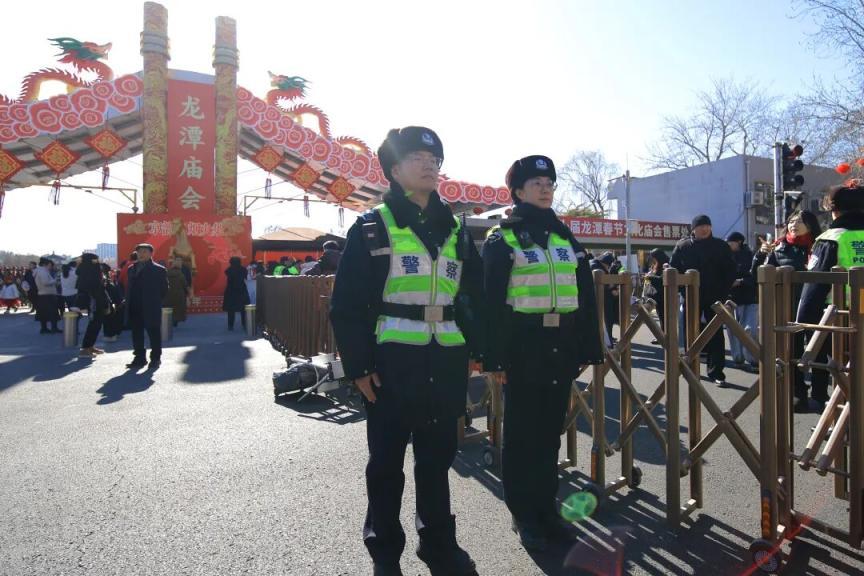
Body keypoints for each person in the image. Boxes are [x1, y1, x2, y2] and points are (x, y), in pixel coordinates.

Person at [330, 126, 482, 576]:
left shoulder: (455, 229)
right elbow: (347, 304)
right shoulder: (371, 227)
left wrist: (478, 349)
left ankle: (439, 545)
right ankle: (385, 552)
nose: (430, 165)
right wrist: (358, 367)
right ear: (394, 171)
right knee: (386, 465)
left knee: (436, 461)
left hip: (445, 360)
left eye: (434, 159)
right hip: (390, 364)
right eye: (418, 158)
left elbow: (472, 295)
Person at [483, 155, 603, 552]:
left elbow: (584, 296)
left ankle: (546, 510)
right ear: (518, 191)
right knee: (522, 435)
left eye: (549, 182)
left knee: (550, 434)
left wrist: (588, 347)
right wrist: (495, 357)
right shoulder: (503, 238)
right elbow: (491, 301)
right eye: (536, 183)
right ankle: (523, 514)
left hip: (560, 347)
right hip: (523, 348)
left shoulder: (564, 237)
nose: (545, 188)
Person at [797, 183, 864, 412]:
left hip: (843, 318)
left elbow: (815, 285)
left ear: (834, 210)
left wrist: (805, 324)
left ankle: (844, 425)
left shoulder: (832, 238)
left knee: (844, 375)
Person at [752, 210, 822, 412]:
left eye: (799, 221)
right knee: (793, 352)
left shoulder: (821, 245)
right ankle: (798, 394)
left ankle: (820, 395)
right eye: (791, 221)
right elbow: (759, 274)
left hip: (818, 307)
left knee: (820, 353)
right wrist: (760, 255)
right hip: (789, 309)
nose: (793, 224)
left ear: (810, 225)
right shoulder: (779, 247)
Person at [670, 215, 736, 385]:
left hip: (715, 297)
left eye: (708, 225)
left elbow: (730, 271)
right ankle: (690, 368)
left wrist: (724, 294)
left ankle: (716, 372)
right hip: (690, 296)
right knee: (690, 333)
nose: (705, 229)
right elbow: (674, 270)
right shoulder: (683, 246)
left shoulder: (721, 246)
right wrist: (682, 291)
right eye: (701, 226)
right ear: (693, 229)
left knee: (715, 334)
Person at [126, 243, 168, 369]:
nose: (141, 254)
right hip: (134, 306)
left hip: (151, 306)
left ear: (151, 253)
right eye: (139, 252)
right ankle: (139, 358)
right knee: (136, 333)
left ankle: (155, 358)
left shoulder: (159, 269)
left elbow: (164, 289)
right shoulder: (131, 268)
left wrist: (154, 300)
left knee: (153, 333)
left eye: (144, 251)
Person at [725, 231, 758, 371]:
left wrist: (741, 281)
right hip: (731, 298)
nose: (728, 245)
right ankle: (738, 358)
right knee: (733, 330)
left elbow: (756, 275)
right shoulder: (725, 255)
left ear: (738, 242)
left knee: (749, 329)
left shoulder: (751, 255)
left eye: (730, 242)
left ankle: (754, 358)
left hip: (750, 297)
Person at [76, 253, 110, 358]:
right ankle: (85, 348)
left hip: (96, 300)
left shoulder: (87, 269)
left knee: (96, 324)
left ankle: (90, 346)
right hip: (94, 301)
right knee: (94, 323)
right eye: (96, 260)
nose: (97, 262)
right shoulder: (88, 270)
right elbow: (95, 287)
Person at [643, 248, 669, 343]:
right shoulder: (657, 265)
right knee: (662, 317)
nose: (652, 260)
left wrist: (650, 277)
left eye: (653, 258)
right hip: (659, 295)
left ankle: (664, 338)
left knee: (664, 317)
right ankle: (662, 337)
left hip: (664, 295)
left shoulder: (666, 265)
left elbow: (662, 279)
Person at [34, 258, 60, 334]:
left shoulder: (39, 271)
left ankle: (44, 328)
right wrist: (55, 281)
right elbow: (45, 282)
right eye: (50, 265)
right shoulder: (43, 272)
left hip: (43, 294)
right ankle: (53, 328)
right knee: (52, 312)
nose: (51, 267)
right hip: (47, 295)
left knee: (43, 313)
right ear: (46, 264)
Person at [223, 256, 250, 331]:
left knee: (230, 310)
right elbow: (245, 277)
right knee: (243, 309)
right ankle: (244, 324)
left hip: (231, 291)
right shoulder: (243, 269)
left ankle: (230, 325)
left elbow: (227, 274)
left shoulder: (228, 270)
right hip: (241, 290)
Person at [101, 263, 124, 342]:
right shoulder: (109, 279)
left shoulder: (104, 279)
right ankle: (113, 333)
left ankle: (109, 334)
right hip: (112, 301)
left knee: (107, 318)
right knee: (112, 318)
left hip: (107, 301)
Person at [164, 257, 188, 327]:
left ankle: (168, 321)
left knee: (169, 307)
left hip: (168, 294)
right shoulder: (181, 274)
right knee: (177, 309)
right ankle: (175, 321)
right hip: (179, 294)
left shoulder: (167, 273)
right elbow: (185, 284)